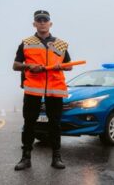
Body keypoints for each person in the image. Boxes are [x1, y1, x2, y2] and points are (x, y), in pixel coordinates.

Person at [13, 10, 72, 170]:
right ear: (34, 24)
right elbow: (15, 65)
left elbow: (70, 65)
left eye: (45, 20)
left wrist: (62, 66)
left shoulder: (60, 44)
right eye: (39, 20)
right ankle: (26, 158)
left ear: (50, 23)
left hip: (55, 89)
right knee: (29, 123)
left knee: (55, 124)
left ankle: (56, 157)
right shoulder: (26, 42)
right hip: (33, 89)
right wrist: (29, 66)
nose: (42, 22)